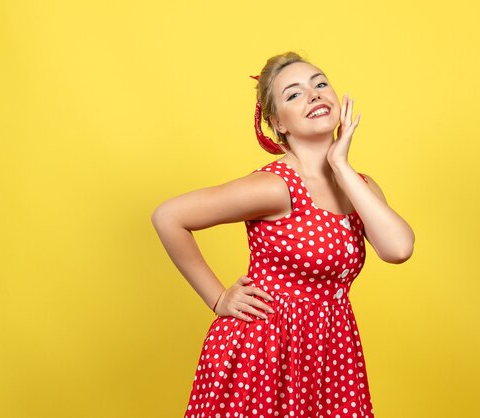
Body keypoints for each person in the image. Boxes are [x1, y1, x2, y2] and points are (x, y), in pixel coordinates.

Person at [151, 51, 415, 418]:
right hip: (264, 352)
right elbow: (168, 216)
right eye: (294, 94)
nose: (314, 95)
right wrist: (218, 299)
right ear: (278, 123)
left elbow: (399, 249)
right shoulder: (276, 186)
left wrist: (340, 165)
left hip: (329, 353)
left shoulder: (361, 186)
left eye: (320, 84)